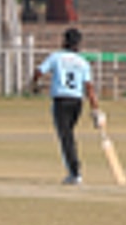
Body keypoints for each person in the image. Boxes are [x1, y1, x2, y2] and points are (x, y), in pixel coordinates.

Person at [31, 27, 103, 185]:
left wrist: (35, 84)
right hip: (77, 102)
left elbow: (38, 72)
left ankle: (75, 172)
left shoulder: (56, 57)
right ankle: (73, 169)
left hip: (61, 100)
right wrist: (96, 109)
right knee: (68, 134)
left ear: (64, 41)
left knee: (66, 137)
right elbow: (89, 88)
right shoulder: (83, 62)